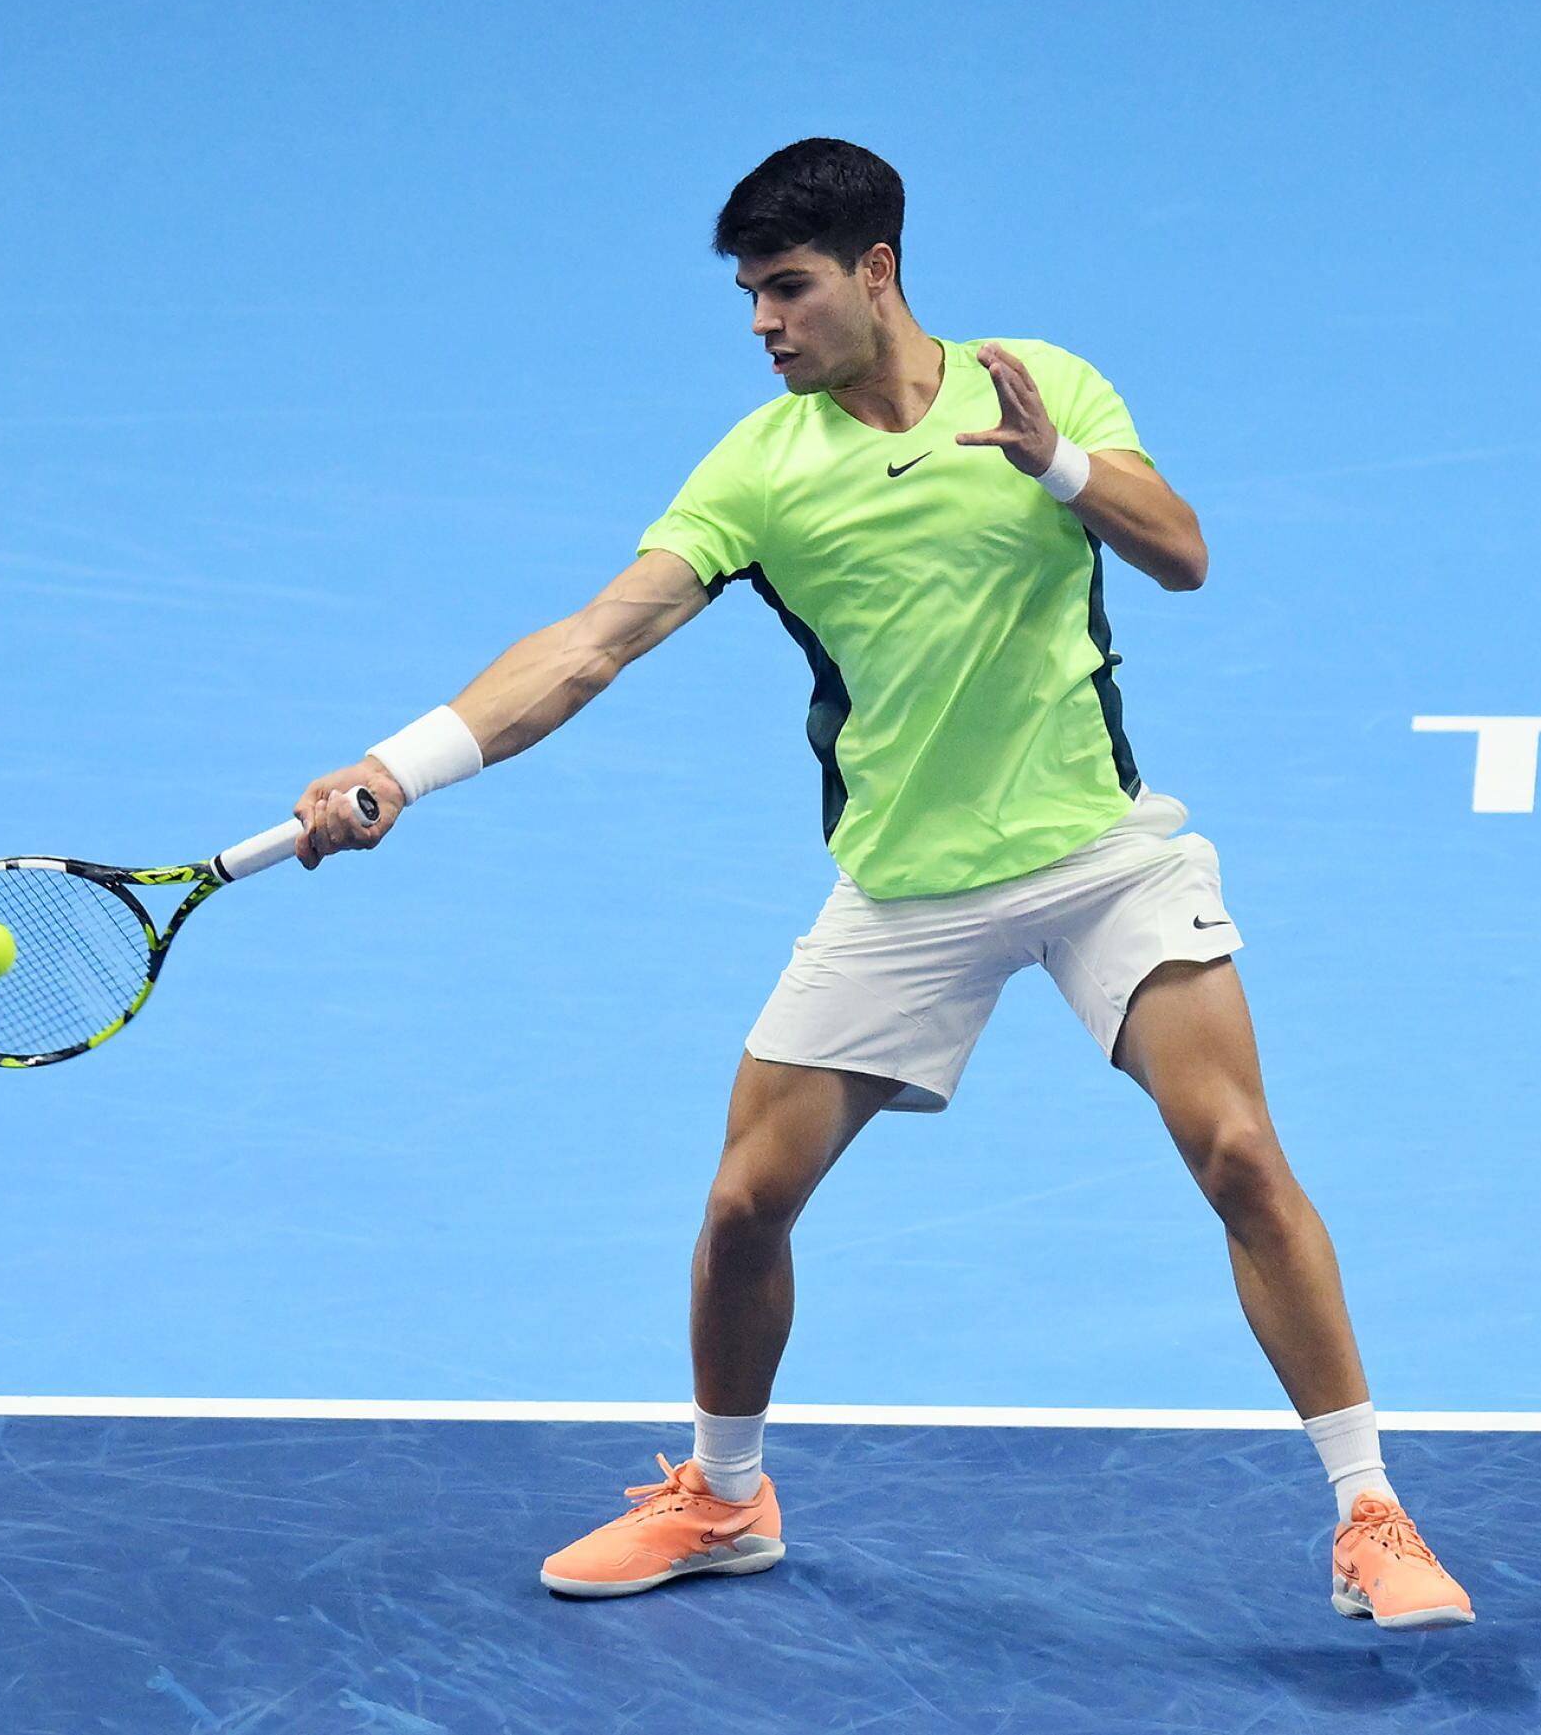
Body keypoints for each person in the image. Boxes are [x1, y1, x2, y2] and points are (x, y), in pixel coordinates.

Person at [287, 138, 1471, 1630]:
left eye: (788, 288)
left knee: (1236, 1150)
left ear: (878, 271)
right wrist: (401, 765)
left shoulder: (1039, 383)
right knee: (742, 1208)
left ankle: (1372, 1511)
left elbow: (1182, 554)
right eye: (749, 297)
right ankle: (722, 1497)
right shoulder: (761, 471)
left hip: (1102, 851)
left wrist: (1055, 462)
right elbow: (590, 644)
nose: (765, 323)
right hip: (905, 887)